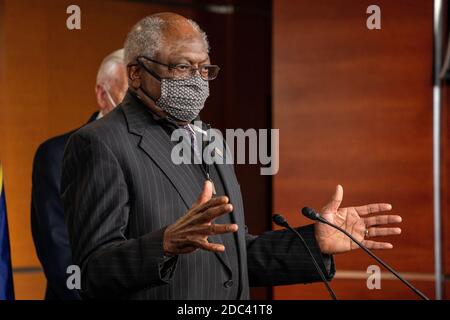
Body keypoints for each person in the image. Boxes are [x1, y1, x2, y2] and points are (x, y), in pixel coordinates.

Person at [61, 13, 402, 299]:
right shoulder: (99, 143)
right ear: (136, 73)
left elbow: (233, 255)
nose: (196, 82)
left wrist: (314, 242)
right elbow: (92, 272)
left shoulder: (211, 138)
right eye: (182, 68)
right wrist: (164, 244)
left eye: (204, 69)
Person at [31, 49, 127, 300]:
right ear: (102, 96)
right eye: (130, 97)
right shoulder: (56, 155)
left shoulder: (154, 154)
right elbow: (59, 253)